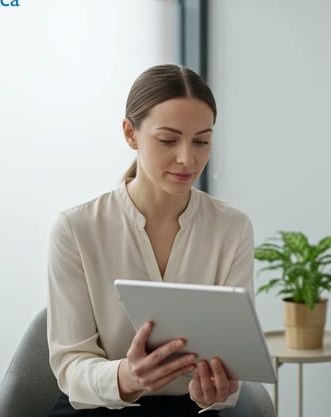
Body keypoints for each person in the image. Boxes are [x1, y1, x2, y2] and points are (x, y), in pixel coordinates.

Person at [46, 64, 254, 416]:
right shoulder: (75, 228)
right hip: (100, 408)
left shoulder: (232, 228)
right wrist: (127, 377)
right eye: (168, 140)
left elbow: (231, 360)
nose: (188, 158)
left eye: (201, 141)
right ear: (130, 134)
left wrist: (217, 390)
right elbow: (70, 365)